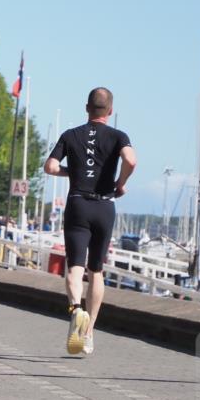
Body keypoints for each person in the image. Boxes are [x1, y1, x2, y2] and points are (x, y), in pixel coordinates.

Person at [44, 87, 136, 356]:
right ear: (110, 111)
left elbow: (49, 167)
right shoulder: (118, 136)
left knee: (74, 267)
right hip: (104, 206)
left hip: (78, 204)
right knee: (96, 271)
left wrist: (70, 173)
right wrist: (120, 183)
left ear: (87, 108)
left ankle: (75, 309)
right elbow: (131, 160)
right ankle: (90, 332)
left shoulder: (70, 135)